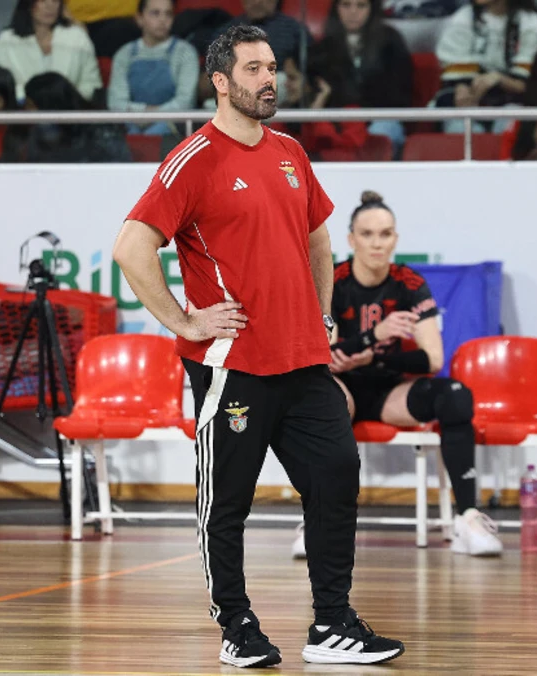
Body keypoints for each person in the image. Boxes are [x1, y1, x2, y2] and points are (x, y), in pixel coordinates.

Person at [112, 24, 405, 668]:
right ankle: (237, 626)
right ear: (220, 81)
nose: (269, 79)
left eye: (272, 67)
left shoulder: (290, 151)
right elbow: (131, 248)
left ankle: (332, 625)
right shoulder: (194, 159)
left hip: (303, 360)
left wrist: (322, 312)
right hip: (232, 367)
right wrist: (183, 322)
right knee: (227, 505)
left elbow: (321, 238)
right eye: (252, 69)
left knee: (336, 478)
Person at [289, 190, 503, 560]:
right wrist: (377, 335)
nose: (377, 243)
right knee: (319, 398)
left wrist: (377, 358)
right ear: (351, 239)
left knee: (454, 395)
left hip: (391, 390)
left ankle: (467, 517)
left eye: (385, 234)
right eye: (368, 234)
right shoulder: (333, 281)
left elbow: (432, 360)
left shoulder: (409, 284)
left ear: (396, 239)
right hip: (345, 390)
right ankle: (317, 519)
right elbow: (325, 358)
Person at [307, 0, 414, 155]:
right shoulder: (323, 48)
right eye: (346, 5)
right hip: (339, 122)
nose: (353, 12)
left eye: (361, 5)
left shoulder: (391, 41)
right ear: (336, 9)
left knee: (380, 132)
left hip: (382, 118)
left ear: (372, 9)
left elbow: (401, 92)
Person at [432, 0, 537, 134]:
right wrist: (461, 88)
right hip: (471, 102)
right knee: (459, 127)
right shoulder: (462, 18)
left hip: (514, 101)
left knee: (510, 119)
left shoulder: (530, 22)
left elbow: (532, 84)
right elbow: (454, 74)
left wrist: (499, 79)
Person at [107, 0, 200, 136]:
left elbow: (185, 103)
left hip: (172, 132)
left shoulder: (186, 53)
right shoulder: (124, 54)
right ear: (139, 19)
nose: (163, 20)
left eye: (168, 14)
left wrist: (145, 114)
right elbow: (116, 103)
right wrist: (148, 113)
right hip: (129, 127)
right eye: (155, 13)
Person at [0, 0, 103, 102]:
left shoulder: (77, 37)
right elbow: (4, 83)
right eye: (42, 0)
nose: (50, 5)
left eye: (55, 0)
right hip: (24, 113)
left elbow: (91, 84)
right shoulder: (8, 39)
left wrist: (67, 99)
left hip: (69, 113)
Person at [17, 72, 131, 162]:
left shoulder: (102, 130)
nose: (27, 110)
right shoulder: (38, 132)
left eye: (31, 105)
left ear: (50, 105)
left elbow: (118, 172)